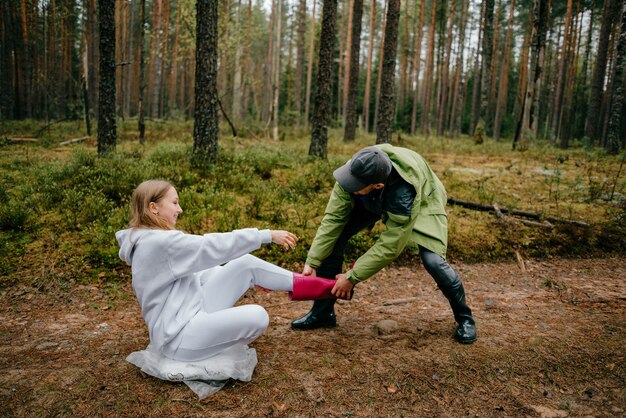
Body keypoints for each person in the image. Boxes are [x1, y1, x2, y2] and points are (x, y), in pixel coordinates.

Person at [116, 179, 344, 362]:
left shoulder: (155, 240)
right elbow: (210, 246)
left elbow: (201, 272)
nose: (180, 209)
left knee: (245, 264)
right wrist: (265, 235)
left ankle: (325, 287)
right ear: (153, 207)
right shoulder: (158, 243)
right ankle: (330, 288)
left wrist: (250, 279)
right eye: (174, 203)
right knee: (258, 315)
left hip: (190, 313)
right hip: (178, 338)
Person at [291, 145, 477, 344]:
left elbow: (390, 245)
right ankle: (322, 313)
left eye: (354, 184)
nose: (348, 185)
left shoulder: (403, 194)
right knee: (334, 240)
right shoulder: (353, 172)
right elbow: (332, 220)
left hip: (423, 198)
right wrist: (313, 260)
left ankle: (465, 319)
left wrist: (352, 277)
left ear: (377, 185)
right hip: (370, 196)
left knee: (433, 261)